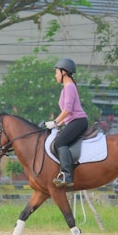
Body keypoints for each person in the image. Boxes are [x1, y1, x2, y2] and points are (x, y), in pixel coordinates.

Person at [45, 58, 88, 187]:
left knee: (59, 142)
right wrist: (57, 124)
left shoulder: (69, 88)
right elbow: (67, 115)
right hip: (73, 121)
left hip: (78, 122)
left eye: (57, 72)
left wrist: (55, 121)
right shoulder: (67, 88)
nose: (55, 75)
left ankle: (67, 175)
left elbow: (67, 110)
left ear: (64, 72)